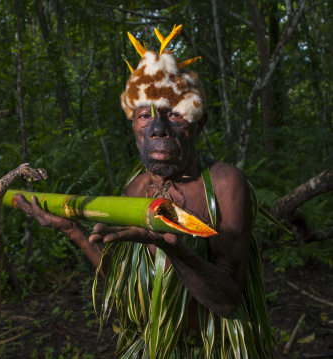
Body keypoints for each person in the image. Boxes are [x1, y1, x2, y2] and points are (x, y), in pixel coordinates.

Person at [15, 25, 273, 358]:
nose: (158, 129)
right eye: (144, 115)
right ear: (134, 125)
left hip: (213, 348)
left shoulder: (226, 184)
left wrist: (175, 250)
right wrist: (74, 232)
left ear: (200, 124)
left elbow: (225, 300)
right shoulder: (136, 188)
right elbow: (125, 281)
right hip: (157, 347)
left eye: (175, 115)